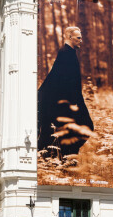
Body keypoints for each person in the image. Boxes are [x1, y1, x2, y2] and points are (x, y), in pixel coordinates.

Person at [37, 26, 94, 157]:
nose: (81, 40)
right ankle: (64, 157)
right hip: (64, 102)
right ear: (70, 38)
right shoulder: (66, 53)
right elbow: (62, 81)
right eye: (78, 38)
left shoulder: (69, 53)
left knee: (76, 128)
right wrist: (72, 103)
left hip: (65, 101)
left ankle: (65, 156)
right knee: (84, 126)